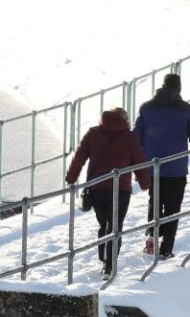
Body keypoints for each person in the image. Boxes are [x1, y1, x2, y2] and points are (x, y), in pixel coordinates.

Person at [64, 107, 150, 274]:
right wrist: (145, 183)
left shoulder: (93, 133)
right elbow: (139, 161)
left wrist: (71, 178)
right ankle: (110, 264)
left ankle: (104, 260)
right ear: (124, 120)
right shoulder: (130, 137)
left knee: (104, 224)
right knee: (115, 226)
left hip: (98, 188)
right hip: (121, 190)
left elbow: (79, 157)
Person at [134, 73, 190, 259]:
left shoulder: (147, 108)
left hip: (153, 167)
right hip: (176, 168)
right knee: (173, 207)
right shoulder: (186, 110)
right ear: (179, 88)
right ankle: (166, 248)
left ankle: (152, 239)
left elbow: (136, 138)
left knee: (154, 202)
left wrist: (135, 165)